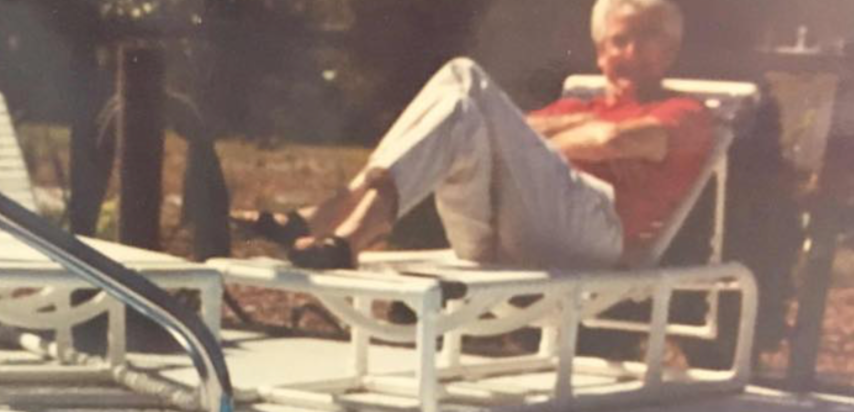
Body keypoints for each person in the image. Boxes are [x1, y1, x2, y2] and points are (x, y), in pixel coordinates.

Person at [234, 0, 714, 272]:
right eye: (620, 40)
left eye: (650, 38)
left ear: (671, 49)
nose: (633, 52)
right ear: (600, 50)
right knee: (461, 111)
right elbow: (508, 129)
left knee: (464, 76)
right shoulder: (575, 107)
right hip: (503, 234)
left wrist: (523, 138)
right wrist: (556, 133)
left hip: (594, 236)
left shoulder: (685, 111)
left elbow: (615, 141)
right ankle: (347, 240)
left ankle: (324, 213)